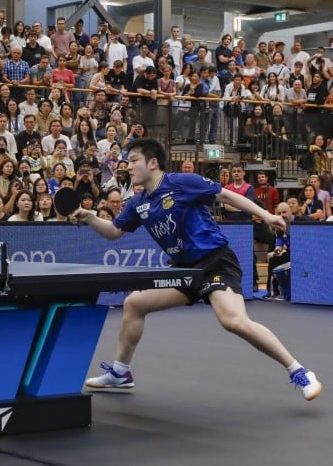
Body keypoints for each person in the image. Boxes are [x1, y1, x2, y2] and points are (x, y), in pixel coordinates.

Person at [76, 138, 322, 401]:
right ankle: (120, 373)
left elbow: (225, 195)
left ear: (153, 163)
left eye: (135, 161)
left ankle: (299, 370)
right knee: (134, 303)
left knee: (233, 321)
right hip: (184, 271)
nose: (129, 167)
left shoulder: (182, 182)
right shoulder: (138, 203)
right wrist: (90, 217)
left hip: (214, 261)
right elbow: (114, 232)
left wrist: (266, 215)